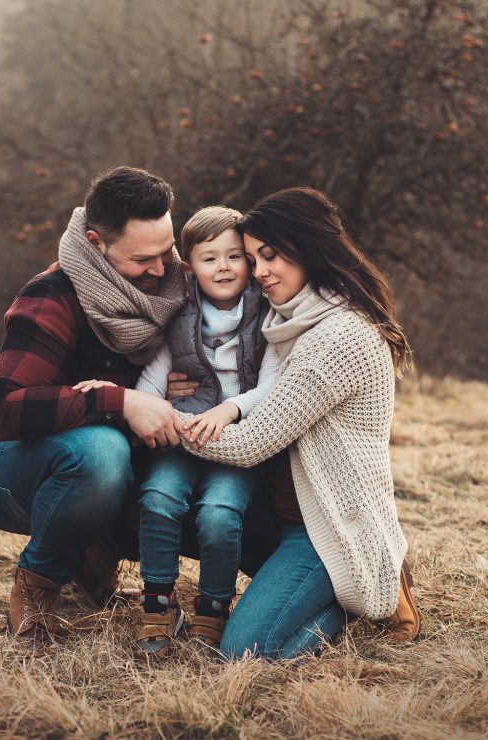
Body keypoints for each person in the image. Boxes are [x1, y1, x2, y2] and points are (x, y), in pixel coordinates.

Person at [0, 166, 201, 643]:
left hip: (121, 469)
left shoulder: (176, 290)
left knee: (178, 484)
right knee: (100, 451)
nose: (161, 269)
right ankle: (39, 583)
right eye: (142, 259)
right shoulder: (51, 297)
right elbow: (5, 411)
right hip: (5, 471)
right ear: (96, 242)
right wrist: (120, 400)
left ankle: (96, 555)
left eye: (166, 251)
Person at [174, 187, 422, 659]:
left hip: (328, 528)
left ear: (308, 248)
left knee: (245, 651)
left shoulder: (337, 337)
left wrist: (162, 418)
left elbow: (249, 443)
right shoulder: (290, 319)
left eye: (270, 256)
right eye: (253, 259)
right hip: (280, 512)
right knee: (176, 505)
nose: (258, 271)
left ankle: (364, 586)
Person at [126, 206, 280, 654]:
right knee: (158, 499)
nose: (223, 267)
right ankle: (158, 603)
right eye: (210, 258)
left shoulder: (267, 314)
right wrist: (153, 412)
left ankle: (212, 607)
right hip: (184, 435)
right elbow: (153, 379)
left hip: (240, 441)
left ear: (249, 262)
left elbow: (274, 385)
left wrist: (230, 410)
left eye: (234, 256)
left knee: (219, 513)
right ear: (189, 267)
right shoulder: (179, 317)